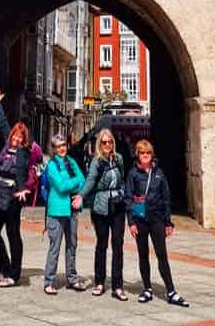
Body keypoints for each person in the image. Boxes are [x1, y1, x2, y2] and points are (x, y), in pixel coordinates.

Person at [125, 139, 189, 307]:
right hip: (140, 220)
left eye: (148, 153)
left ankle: (171, 290)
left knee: (162, 254)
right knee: (143, 254)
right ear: (137, 155)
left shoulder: (159, 173)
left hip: (157, 219)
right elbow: (128, 198)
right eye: (142, 153)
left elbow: (166, 197)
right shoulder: (133, 174)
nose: (145, 156)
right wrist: (130, 222)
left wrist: (168, 222)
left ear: (151, 155)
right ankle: (147, 288)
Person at [74, 128, 127, 300]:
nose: (107, 145)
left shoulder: (119, 159)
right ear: (99, 144)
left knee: (118, 244)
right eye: (104, 142)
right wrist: (81, 196)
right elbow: (90, 181)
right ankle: (99, 282)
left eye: (109, 141)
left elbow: (123, 178)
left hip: (117, 205)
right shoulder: (96, 162)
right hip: (101, 207)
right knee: (102, 245)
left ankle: (118, 286)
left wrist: (124, 194)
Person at [0, 87, 31, 287]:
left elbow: (21, 172)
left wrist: (21, 189)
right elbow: (2, 123)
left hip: (13, 198)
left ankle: (14, 274)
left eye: (20, 137)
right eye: (15, 136)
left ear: (24, 139)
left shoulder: (22, 153)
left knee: (13, 235)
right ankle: (5, 267)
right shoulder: (6, 145)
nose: (16, 139)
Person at [42, 133, 87, 295]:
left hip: (72, 210)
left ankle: (72, 278)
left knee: (72, 245)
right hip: (57, 211)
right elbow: (61, 186)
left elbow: (84, 180)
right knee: (55, 247)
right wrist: (75, 184)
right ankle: (49, 281)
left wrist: (74, 184)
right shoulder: (52, 165)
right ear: (53, 149)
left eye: (63, 145)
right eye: (58, 146)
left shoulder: (71, 161)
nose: (62, 149)